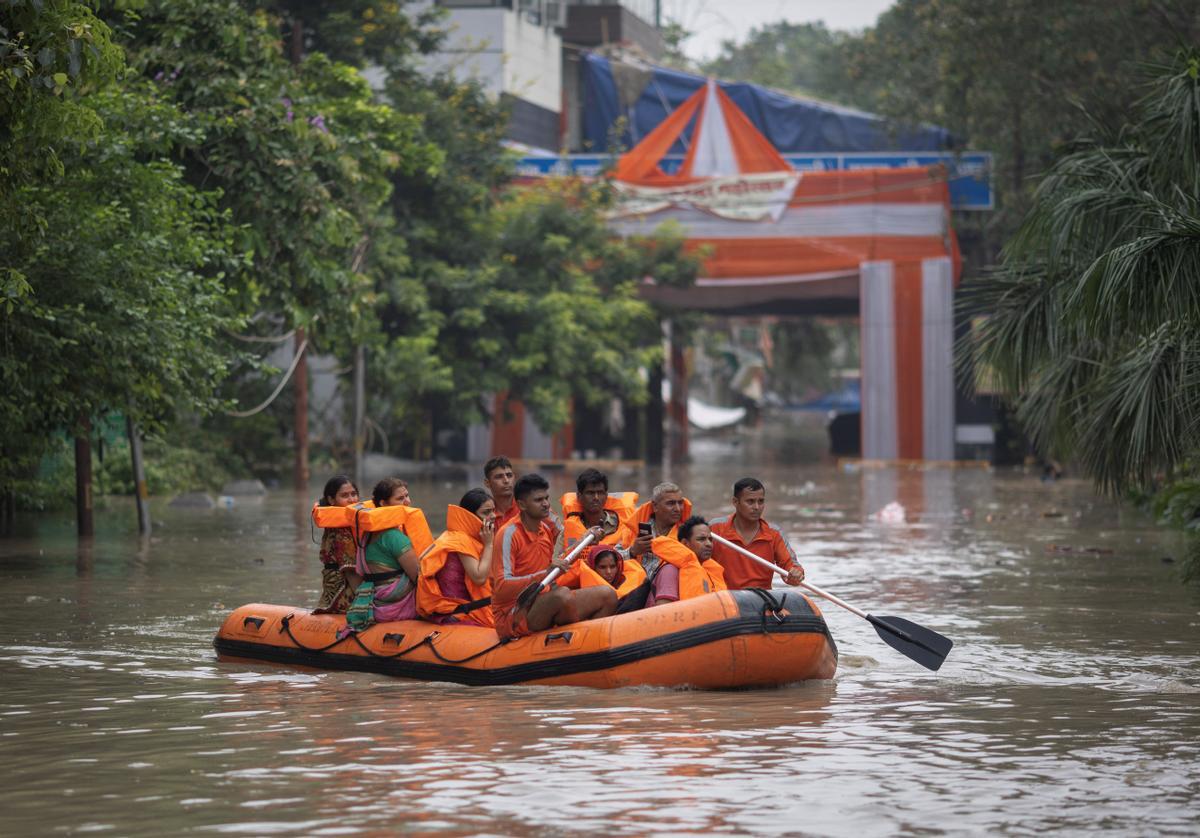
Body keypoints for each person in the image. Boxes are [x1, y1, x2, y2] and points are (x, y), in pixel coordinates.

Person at [490, 474, 618, 640]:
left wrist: (584, 540)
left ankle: (589, 644)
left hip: (545, 599)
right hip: (514, 612)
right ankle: (577, 642)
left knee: (608, 595)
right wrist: (543, 574)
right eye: (538, 500)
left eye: (546, 498)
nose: (546, 504)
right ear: (521, 504)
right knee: (562, 595)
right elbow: (501, 587)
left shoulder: (544, 530)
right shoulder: (508, 534)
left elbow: (558, 564)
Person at [343, 478, 421, 631]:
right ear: (383, 503)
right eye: (400, 498)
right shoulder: (394, 537)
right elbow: (419, 577)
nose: (407, 502)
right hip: (393, 605)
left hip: (375, 600)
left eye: (407, 496)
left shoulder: (367, 534)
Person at [417, 488, 496, 627]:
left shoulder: (461, 535)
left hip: (469, 606)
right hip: (457, 613)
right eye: (486, 512)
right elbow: (479, 578)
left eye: (493, 510)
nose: (493, 516)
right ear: (469, 515)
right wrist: (489, 544)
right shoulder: (460, 539)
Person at [709, 477, 805, 589]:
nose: (756, 507)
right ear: (735, 502)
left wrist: (796, 574)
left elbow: (791, 567)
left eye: (761, 501)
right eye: (750, 502)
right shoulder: (714, 529)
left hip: (760, 600)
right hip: (723, 598)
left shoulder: (774, 533)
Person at [625, 481, 693, 608]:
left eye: (680, 503)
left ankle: (661, 617)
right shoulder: (633, 530)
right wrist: (632, 551)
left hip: (669, 592)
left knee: (669, 569)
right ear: (655, 506)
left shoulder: (688, 533)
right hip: (634, 590)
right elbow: (612, 559)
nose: (678, 509)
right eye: (671, 503)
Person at [642, 515, 727, 606]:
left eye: (710, 539)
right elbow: (663, 614)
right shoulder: (670, 571)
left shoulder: (710, 572)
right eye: (701, 539)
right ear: (685, 543)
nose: (709, 544)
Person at [314, 475, 360, 613]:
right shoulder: (341, 529)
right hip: (344, 588)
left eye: (354, 494)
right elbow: (350, 570)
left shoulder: (342, 521)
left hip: (333, 587)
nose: (351, 499)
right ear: (331, 500)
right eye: (345, 495)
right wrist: (366, 599)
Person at [561, 468, 635, 553]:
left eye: (600, 493)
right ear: (579, 496)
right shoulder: (567, 529)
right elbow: (559, 561)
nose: (596, 498)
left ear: (606, 496)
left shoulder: (625, 527)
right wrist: (580, 542)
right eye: (590, 493)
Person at [484, 456, 519, 529]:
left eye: (509, 475)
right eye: (499, 477)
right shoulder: (483, 513)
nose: (506, 481)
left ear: (514, 478)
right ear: (487, 483)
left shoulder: (528, 508)